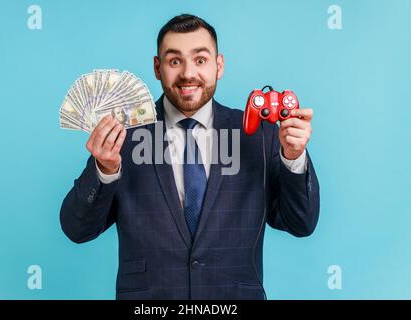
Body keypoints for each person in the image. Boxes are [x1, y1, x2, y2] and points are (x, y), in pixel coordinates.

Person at [60, 14, 320, 300]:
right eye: (174, 61)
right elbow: (77, 229)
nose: (187, 74)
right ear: (157, 68)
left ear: (218, 66)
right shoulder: (125, 136)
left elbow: (300, 223)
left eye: (200, 60)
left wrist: (294, 157)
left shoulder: (260, 135)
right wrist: (104, 169)